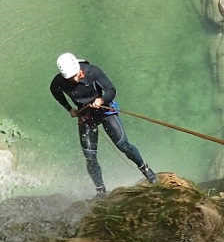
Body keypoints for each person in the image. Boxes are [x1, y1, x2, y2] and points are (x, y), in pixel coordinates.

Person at [50, 52, 156, 197]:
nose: (74, 80)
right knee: (90, 156)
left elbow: (111, 90)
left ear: (78, 69)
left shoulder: (93, 72)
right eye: (69, 78)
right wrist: (69, 109)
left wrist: (101, 99)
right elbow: (54, 91)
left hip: (105, 110)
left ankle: (145, 169)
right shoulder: (59, 81)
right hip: (85, 114)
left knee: (123, 144)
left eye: (75, 75)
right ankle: (101, 190)